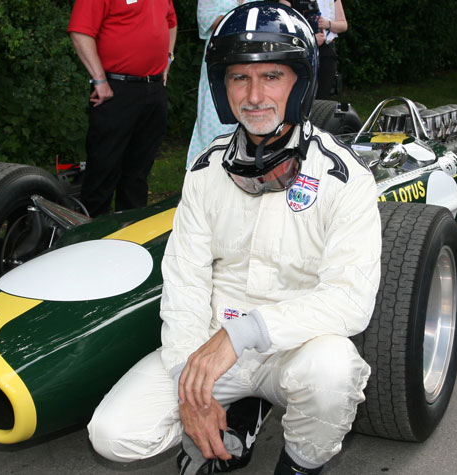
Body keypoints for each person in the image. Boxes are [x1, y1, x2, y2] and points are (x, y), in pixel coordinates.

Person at [86, 3, 381, 474]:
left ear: (300, 84)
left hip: (293, 348)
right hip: (209, 343)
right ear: (223, 90)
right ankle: (222, 423)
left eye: (272, 77)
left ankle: (302, 464)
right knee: (114, 434)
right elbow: (184, 281)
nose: (254, 95)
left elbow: (350, 300)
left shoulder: (346, 179)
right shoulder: (204, 171)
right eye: (239, 78)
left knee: (334, 374)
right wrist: (190, 381)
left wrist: (243, 333)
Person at [67, 0, 177, 217]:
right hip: (117, 89)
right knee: (103, 170)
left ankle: (129, 236)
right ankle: (90, 235)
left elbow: (171, 22)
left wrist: (168, 58)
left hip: (154, 89)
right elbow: (80, 32)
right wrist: (99, 79)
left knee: (138, 174)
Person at [186, 0, 253, 169]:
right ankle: (208, 169)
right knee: (214, 115)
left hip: (251, 62)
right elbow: (209, 21)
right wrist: (247, 18)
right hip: (220, 63)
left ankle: (246, 167)